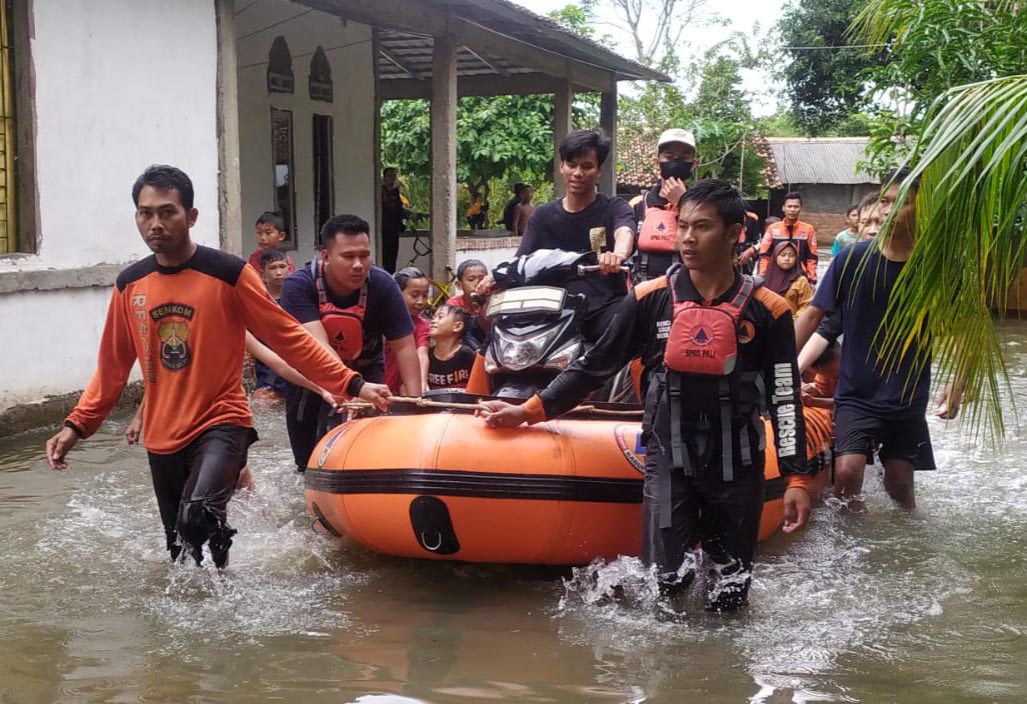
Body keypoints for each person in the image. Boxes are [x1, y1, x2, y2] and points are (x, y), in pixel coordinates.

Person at [478, 179, 811, 612]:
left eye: (703, 227)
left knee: (729, 597)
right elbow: (592, 366)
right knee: (665, 592)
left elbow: (785, 395)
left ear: (734, 234)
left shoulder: (769, 310)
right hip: (668, 463)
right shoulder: (649, 299)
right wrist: (527, 411)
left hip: (739, 466)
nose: (687, 238)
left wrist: (797, 477)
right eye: (683, 226)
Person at [44, 165, 391, 570]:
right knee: (179, 549)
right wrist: (77, 425)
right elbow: (112, 368)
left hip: (222, 422)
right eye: (145, 213)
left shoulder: (228, 273)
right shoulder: (129, 285)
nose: (155, 223)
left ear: (191, 217)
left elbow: (286, 336)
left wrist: (352, 383)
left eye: (167, 212)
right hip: (162, 433)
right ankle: (216, 593)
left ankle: (222, 586)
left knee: (196, 517)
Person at [794, 169, 963, 511]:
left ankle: (910, 542)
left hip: (907, 393)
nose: (887, 210)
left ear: (922, 207)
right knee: (847, 472)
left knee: (899, 484)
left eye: (899, 201)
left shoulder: (937, 269)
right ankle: (851, 551)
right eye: (884, 200)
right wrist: (776, 366)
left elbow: (961, 333)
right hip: (856, 391)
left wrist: (957, 387)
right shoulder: (852, 259)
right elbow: (814, 317)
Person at [279, 213, 422, 471]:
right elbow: (317, 346)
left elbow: (404, 346)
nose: (358, 264)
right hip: (311, 377)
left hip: (366, 368)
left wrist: (415, 405)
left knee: (366, 449)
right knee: (307, 461)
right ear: (326, 257)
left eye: (364, 255)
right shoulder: (298, 286)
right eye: (348, 256)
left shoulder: (383, 285)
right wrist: (352, 387)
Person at [484, 129, 634, 344]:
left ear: (599, 169)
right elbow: (521, 258)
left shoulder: (615, 208)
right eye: (571, 165)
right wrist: (495, 276)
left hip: (602, 310)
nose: (578, 173)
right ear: (561, 165)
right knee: (494, 339)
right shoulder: (543, 215)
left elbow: (624, 232)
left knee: (628, 329)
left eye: (587, 166)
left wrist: (617, 255)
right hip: (550, 310)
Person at [630, 128, 697, 282]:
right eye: (669, 156)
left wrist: (682, 202)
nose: (675, 162)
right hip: (644, 291)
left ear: (693, 164)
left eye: (683, 158)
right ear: (657, 162)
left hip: (687, 293)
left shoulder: (704, 205)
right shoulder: (639, 204)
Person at [385, 266, 431, 395]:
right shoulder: (382, 319)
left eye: (425, 295)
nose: (421, 301)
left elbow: (422, 353)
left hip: (403, 391)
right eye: (414, 295)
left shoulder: (422, 325)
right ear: (397, 293)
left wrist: (421, 382)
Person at [757, 193, 819, 284]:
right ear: (783, 208)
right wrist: (762, 276)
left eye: (796, 207)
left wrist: (812, 278)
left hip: (800, 276)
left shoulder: (808, 229)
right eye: (789, 206)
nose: (792, 210)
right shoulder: (773, 229)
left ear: (800, 208)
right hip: (775, 276)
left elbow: (811, 256)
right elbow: (764, 255)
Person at [428, 305, 476, 390]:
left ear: (457, 326)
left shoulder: (466, 354)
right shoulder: (427, 355)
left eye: (440, 317)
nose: (433, 321)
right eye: (433, 317)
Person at [446, 259, 489, 351]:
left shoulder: (493, 299)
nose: (477, 283)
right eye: (471, 279)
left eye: (482, 279)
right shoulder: (454, 304)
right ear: (459, 285)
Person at [764, 241, 813, 319]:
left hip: (792, 324)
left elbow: (806, 305)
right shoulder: (765, 279)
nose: (787, 259)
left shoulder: (801, 281)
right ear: (775, 257)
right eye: (783, 255)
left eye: (791, 255)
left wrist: (793, 320)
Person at [381, 167, 408, 273]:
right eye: (390, 176)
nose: (392, 178)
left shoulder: (395, 193)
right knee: (384, 257)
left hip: (394, 231)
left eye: (394, 176)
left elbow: (399, 211)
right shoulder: (380, 192)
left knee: (392, 259)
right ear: (385, 178)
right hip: (383, 231)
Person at [800, 343, 840, 412]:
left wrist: (814, 401)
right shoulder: (822, 374)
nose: (832, 378)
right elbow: (824, 393)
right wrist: (815, 393)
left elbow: (851, 402)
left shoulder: (857, 372)